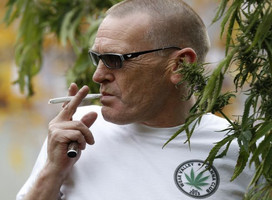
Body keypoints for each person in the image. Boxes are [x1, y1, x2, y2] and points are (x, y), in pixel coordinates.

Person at [17, 0, 254, 199]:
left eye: (115, 59)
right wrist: (52, 170)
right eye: (96, 58)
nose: (98, 75)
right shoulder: (76, 132)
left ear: (180, 65)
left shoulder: (242, 148)